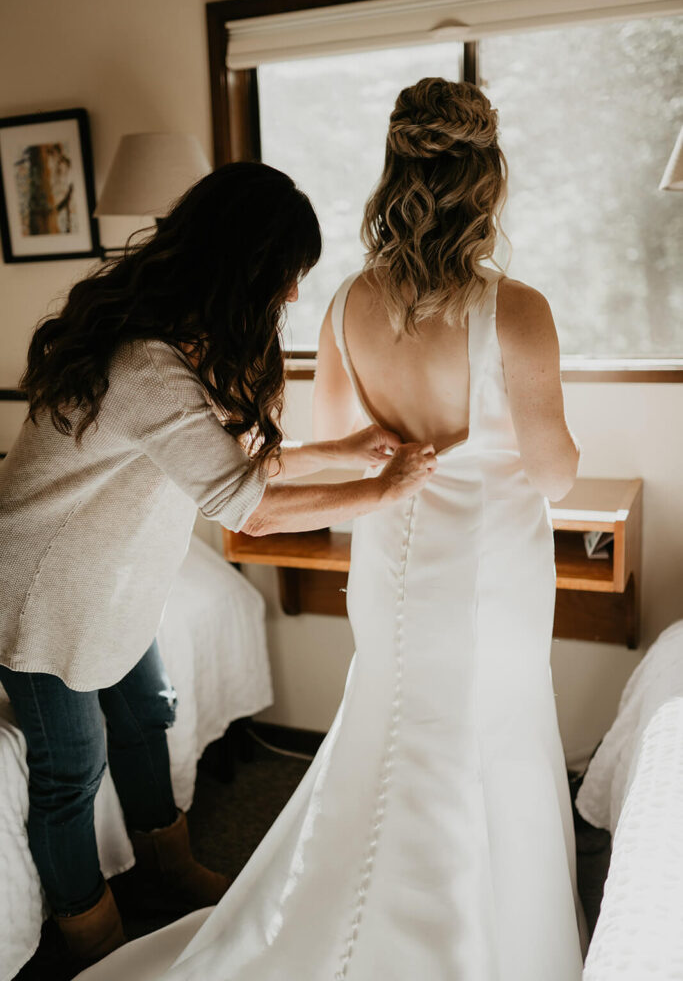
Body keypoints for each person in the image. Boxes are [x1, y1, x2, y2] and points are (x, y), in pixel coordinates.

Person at [73, 79, 586, 981]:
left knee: (389, 725)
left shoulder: (351, 299)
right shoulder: (519, 311)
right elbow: (552, 473)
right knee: (485, 736)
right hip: (490, 575)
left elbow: (353, 448)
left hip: (390, 557)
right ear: (488, 179)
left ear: (397, 174)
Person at [0, 161, 436, 970]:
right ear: (245, 264)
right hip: (39, 591)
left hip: (116, 582)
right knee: (70, 774)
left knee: (147, 719)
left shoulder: (179, 344)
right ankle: (91, 942)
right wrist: (376, 491)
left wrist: (341, 452)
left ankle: (165, 874)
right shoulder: (145, 366)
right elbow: (249, 509)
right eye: (289, 276)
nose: (295, 297)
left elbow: (225, 465)